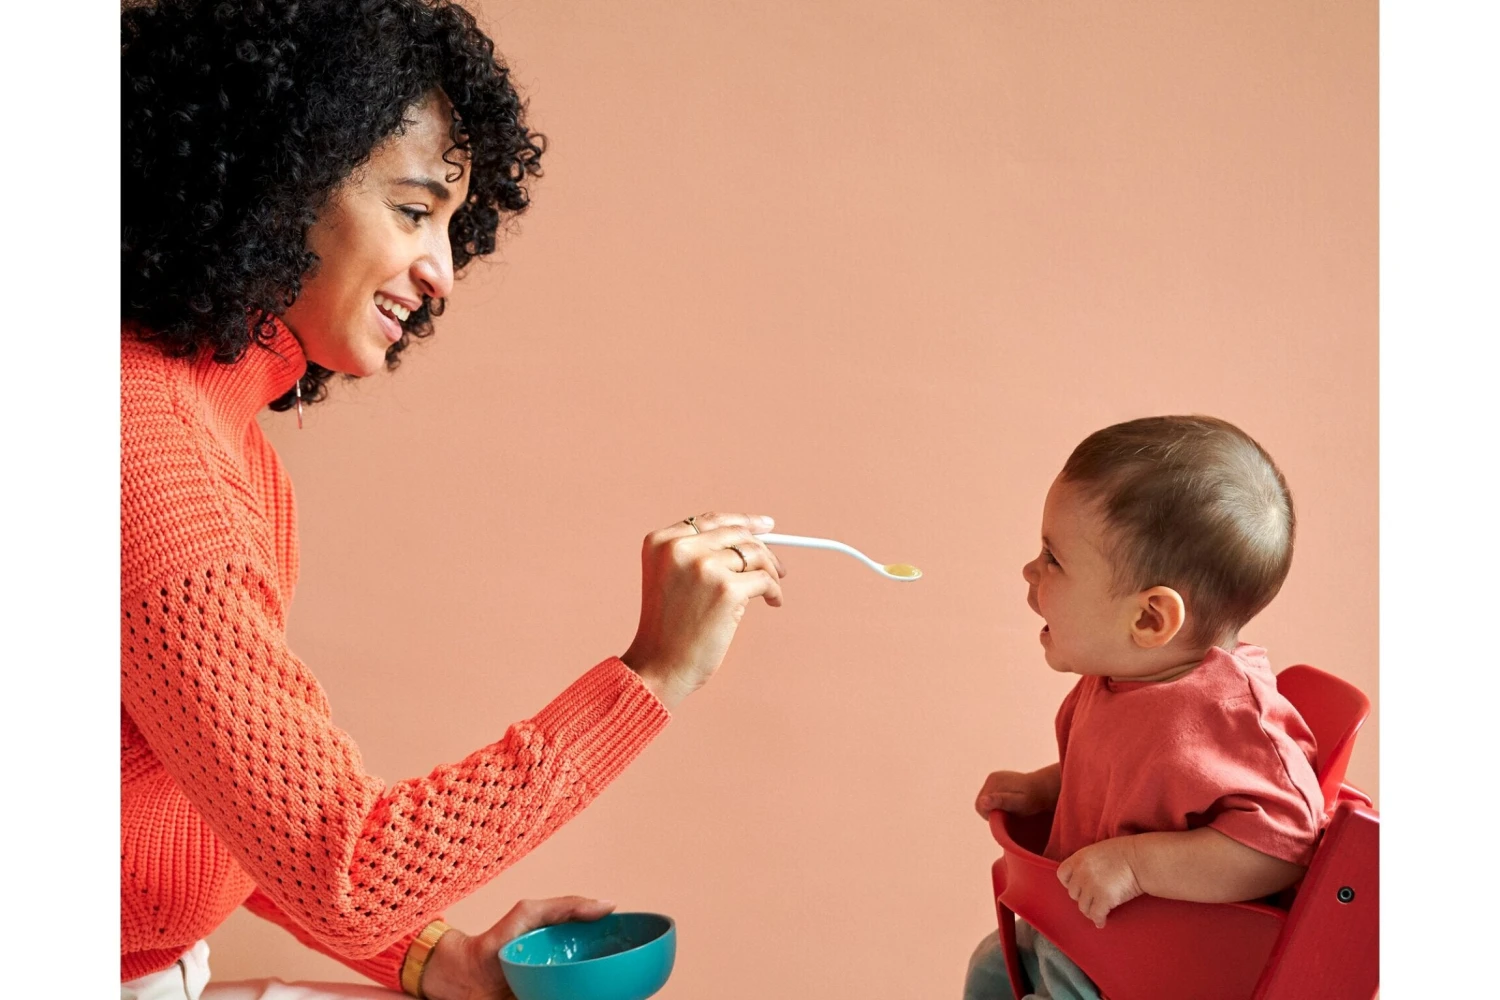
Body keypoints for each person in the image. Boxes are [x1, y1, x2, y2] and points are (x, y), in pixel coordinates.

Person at [120, 2, 787, 998]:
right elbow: (346, 869)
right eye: (413, 209)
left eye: (450, 225)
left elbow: (232, 814)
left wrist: (440, 959)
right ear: (279, 174)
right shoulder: (157, 462)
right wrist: (654, 671)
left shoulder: (218, 443)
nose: (441, 272)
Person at [962, 416, 1324, 1000]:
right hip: (1086, 931)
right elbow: (1141, 783)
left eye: (1054, 559)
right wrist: (1047, 787)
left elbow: (1284, 847)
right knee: (988, 969)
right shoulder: (1123, 678)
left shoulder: (1228, 720)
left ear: (1150, 618)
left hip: (1152, 965)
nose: (1030, 571)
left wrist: (1136, 865)